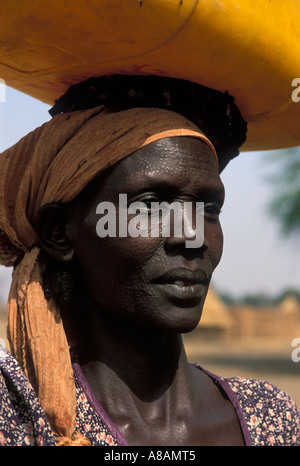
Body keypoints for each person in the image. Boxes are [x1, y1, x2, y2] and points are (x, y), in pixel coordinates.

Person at [0, 76, 299, 446]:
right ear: (59, 233)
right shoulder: (24, 421)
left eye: (209, 207)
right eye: (152, 205)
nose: (193, 237)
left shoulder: (272, 416)